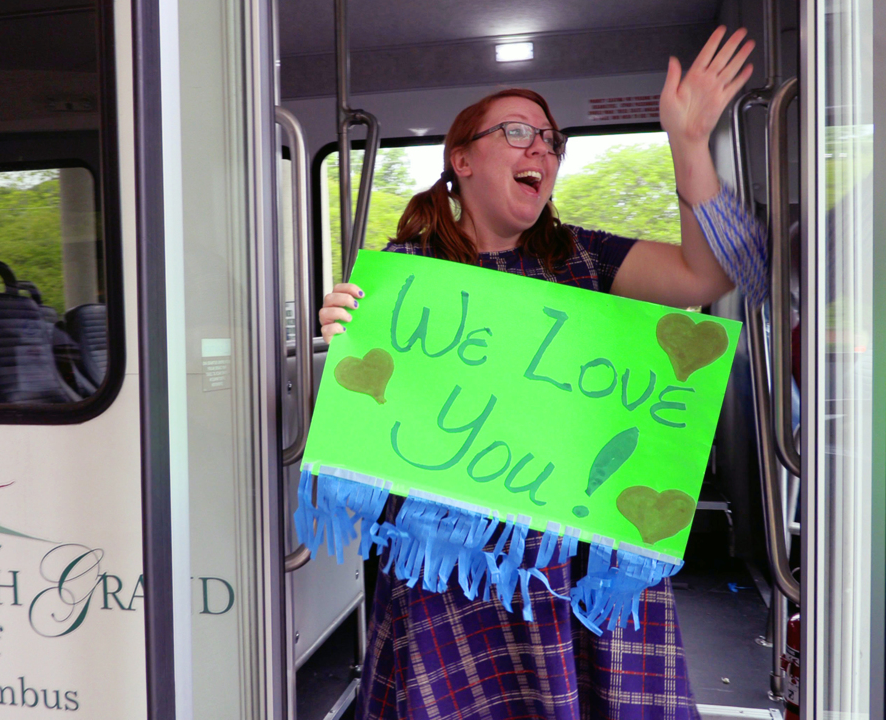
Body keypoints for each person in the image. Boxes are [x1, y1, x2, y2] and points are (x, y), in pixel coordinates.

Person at [318, 26, 765, 720]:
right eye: (519, 131)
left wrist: (688, 141)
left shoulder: (584, 259)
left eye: (551, 141)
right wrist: (343, 331)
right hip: (453, 571)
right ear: (460, 159)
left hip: (576, 566)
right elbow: (375, 419)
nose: (542, 150)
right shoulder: (406, 277)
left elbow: (709, 274)